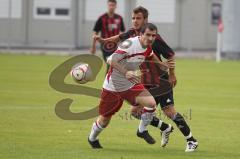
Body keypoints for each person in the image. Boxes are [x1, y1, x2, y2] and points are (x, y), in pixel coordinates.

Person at [94, 6, 198, 152]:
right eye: (133, 18)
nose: (135, 21)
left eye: (139, 18)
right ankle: (164, 128)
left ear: (145, 20)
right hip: (145, 79)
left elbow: (170, 55)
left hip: (160, 79)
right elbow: (119, 37)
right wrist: (103, 40)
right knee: (135, 112)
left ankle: (191, 140)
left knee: (169, 111)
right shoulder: (132, 34)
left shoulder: (154, 37)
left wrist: (172, 74)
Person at [88, 23, 168, 149]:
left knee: (151, 103)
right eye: (148, 35)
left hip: (130, 84)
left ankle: (141, 130)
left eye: (153, 35)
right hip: (113, 85)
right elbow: (111, 60)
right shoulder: (130, 44)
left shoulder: (147, 46)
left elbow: (151, 54)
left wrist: (161, 65)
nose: (151, 38)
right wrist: (126, 73)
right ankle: (92, 138)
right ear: (141, 34)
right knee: (104, 120)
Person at [90, 0, 125, 73]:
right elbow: (95, 33)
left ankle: (110, 82)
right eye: (110, 5)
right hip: (105, 46)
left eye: (113, 5)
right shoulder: (102, 18)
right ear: (107, 6)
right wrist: (93, 47)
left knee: (114, 66)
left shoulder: (119, 18)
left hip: (116, 46)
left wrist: (124, 46)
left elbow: (123, 32)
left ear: (116, 6)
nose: (111, 7)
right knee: (110, 63)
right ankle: (107, 82)